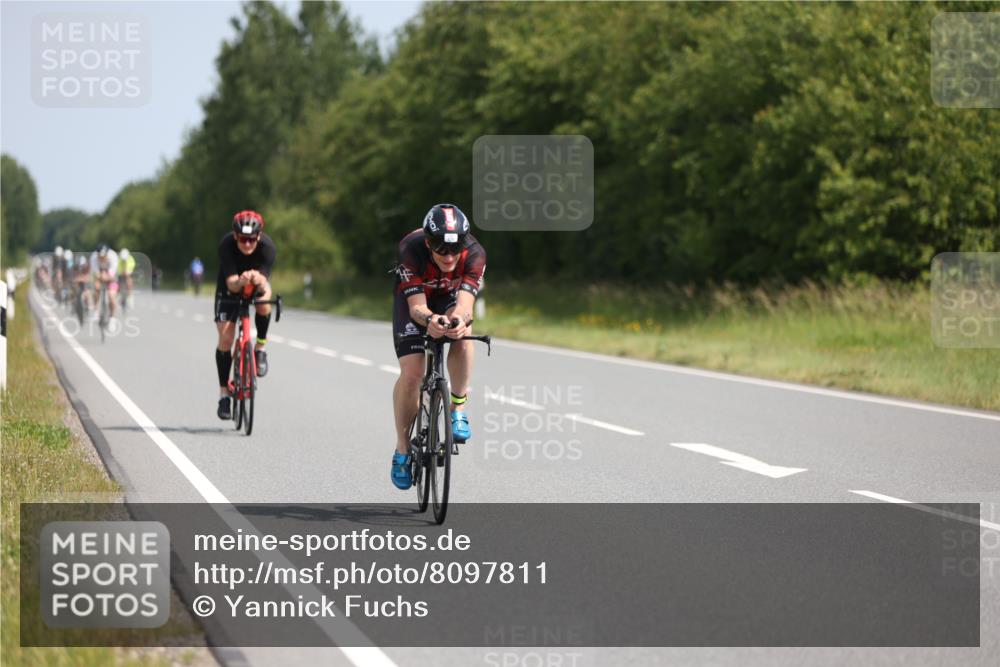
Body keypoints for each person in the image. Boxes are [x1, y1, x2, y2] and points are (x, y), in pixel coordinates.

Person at [389, 203, 486, 490]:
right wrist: (430, 319)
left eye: (454, 249)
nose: (448, 255)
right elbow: (417, 307)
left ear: (464, 243)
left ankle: (457, 407)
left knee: (464, 332)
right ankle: (403, 448)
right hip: (415, 302)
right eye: (439, 247)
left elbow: (466, 305)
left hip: (451, 299)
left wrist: (457, 320)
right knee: (412, 373)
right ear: (428, 242)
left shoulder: (476, 254)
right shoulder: (410, 249)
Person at [213, 210, 276, 419]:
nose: (247, 244)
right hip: (229, 287)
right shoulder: (226, 245)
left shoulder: (268, 248)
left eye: (251, 239)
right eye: (242, 239)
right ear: (235, 236)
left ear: (258, 237)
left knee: (264, 301)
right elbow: (231, 284)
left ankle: (260, 347)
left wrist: (257, 280)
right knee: (226, 338)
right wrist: (241, 281)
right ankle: (224, 395)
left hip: (256, 284)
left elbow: (265, 285)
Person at [90, 244, 120, 320]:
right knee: (96, 288)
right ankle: (96, 311)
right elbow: (96, 272)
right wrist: (100, 276)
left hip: (110, 276)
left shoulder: (113, 256)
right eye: (100, 257)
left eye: (104, 256)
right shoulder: (93, 257)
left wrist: (106, 276)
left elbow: (112, 274)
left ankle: (112, 318)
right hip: (99, 275)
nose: (102, 258)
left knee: (111, 296)